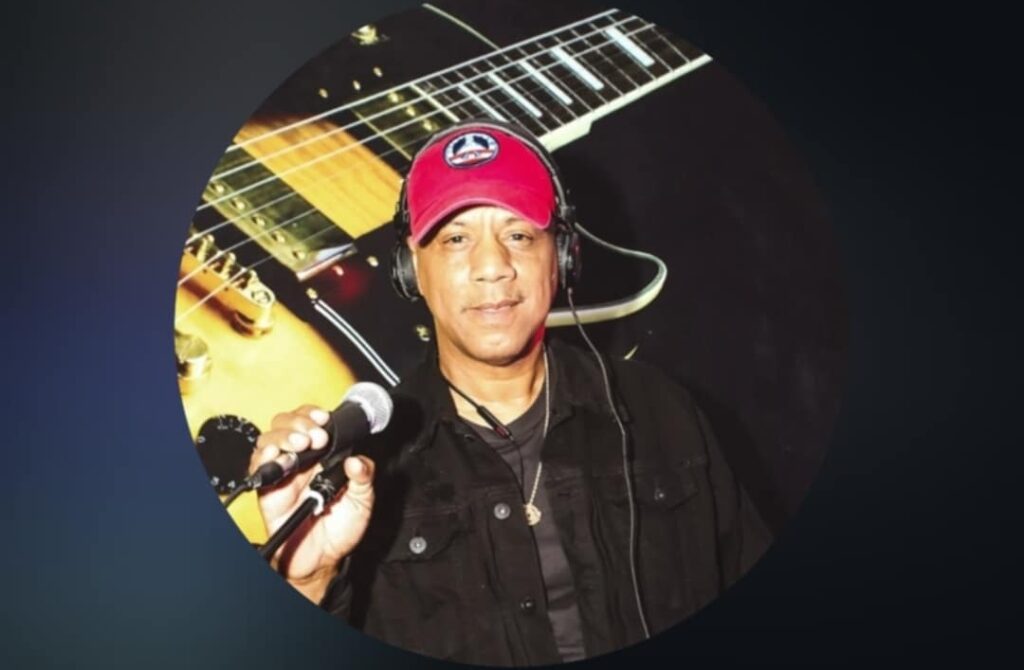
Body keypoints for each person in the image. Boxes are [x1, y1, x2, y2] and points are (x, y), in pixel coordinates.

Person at [250, 120, 772, 665]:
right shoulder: (361, 470)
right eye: (456, 239)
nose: (493, 267)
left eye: (519, 235)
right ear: (412, 269)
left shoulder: (658, 409)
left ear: (562, 257)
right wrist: (307, 582)